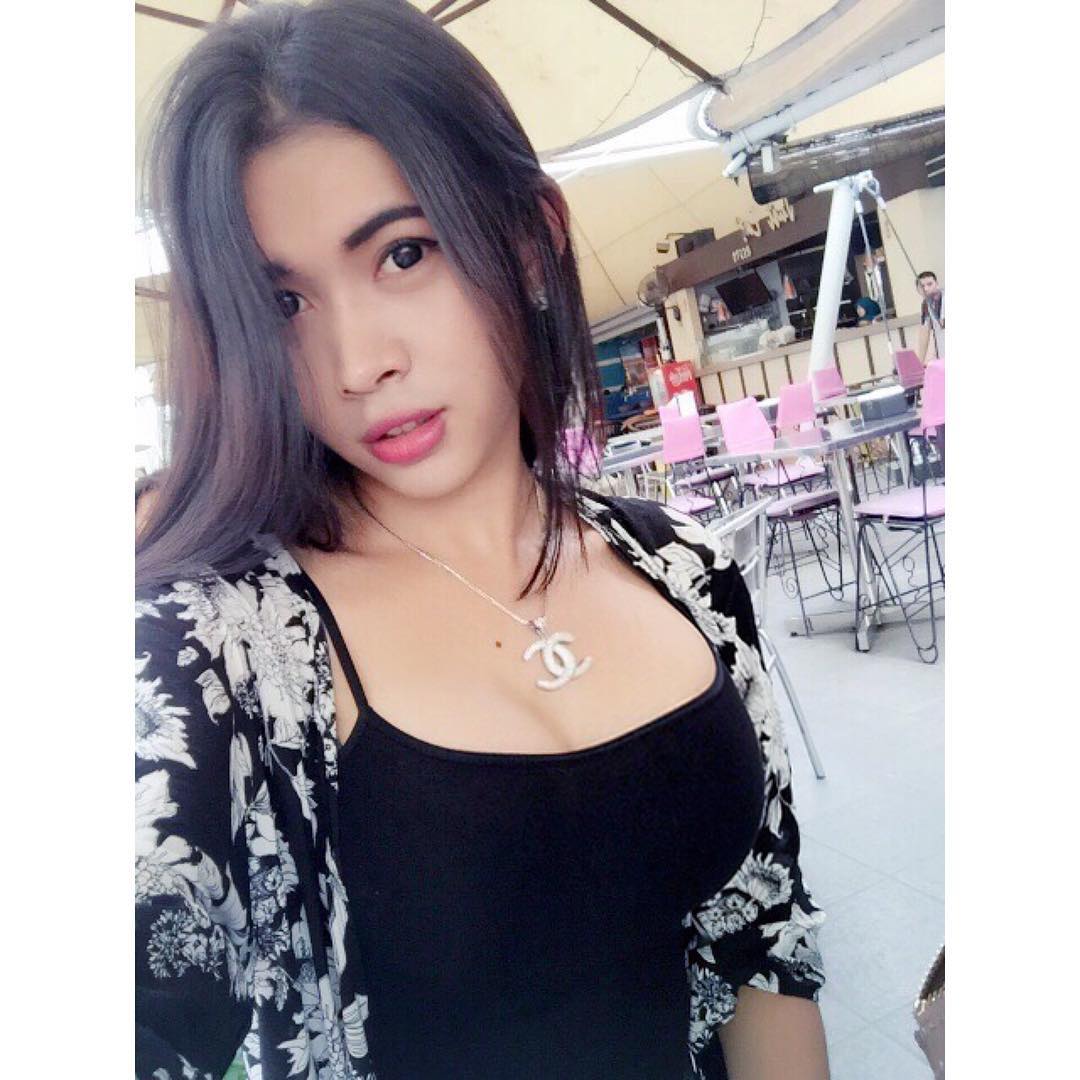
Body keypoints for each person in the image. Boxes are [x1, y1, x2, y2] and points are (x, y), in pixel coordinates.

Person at [134, 2, 827, 1078]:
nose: (357, 363)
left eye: (403, 253)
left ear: (533, 242)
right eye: (283, 303)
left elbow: (765, 942)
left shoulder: (687, 570)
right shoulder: (208, 655)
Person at [915, 270, 945, 361]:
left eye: (929, 284)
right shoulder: (926, 304)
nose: (926, 289)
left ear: (937, 284)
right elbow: (925, 332)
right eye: (922, 286)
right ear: (918, 290)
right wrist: (920, 362)